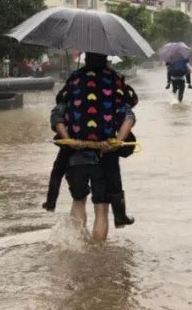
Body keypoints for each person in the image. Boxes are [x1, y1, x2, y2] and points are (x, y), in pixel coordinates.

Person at [47, 52, 137, 241]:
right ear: (106, 59)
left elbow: (57, 115)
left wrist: (70, 140)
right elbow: (129, 116)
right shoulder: (114, 80)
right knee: (102, 210)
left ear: (86, 58)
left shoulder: (74, 79)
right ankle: (98, 257)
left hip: (75, 154)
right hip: (104, 156)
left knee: (78, 201)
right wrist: (117, 142)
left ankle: (77, 249)